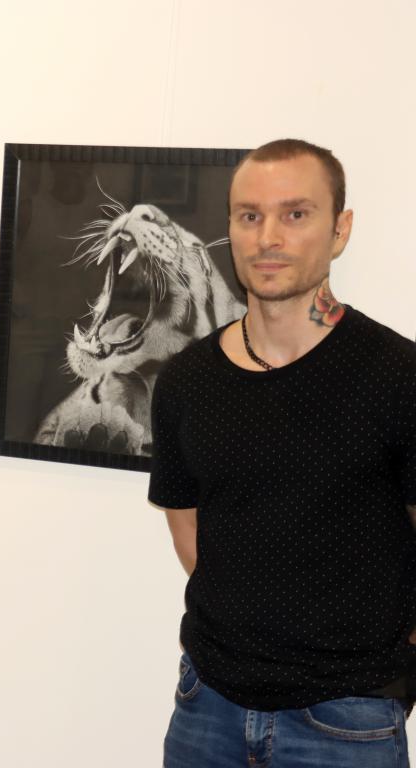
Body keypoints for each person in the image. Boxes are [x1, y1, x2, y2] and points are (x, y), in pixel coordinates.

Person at [149, 138, 416, 767]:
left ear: (340, 229)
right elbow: (190, 534)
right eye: (250, 215)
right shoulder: (186, 379)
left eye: (296, 214)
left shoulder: (397, 375)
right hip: (207, 706)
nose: (268, 237)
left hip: (348, 717)